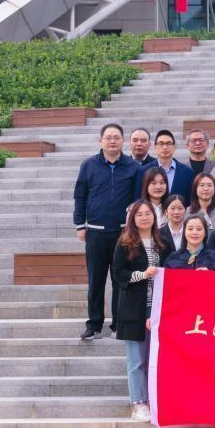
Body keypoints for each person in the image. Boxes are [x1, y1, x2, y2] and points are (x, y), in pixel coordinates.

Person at [73, 123, 141, 341]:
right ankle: (94, 324)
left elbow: (137, 200)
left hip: (123, 233)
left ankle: (118, 324)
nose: (112, 141)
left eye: (117, 137)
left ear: (123, 141)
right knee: (96, 280)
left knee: (120, 280)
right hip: (95, 232)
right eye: (108, 137)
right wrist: (80, 225)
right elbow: (80, 196)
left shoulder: (133, 167)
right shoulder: (88, 165)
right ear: (100, 140)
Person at [111, 199, 167, 421]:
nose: (144, 217)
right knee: (137, 360)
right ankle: (139, 403)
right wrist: (142, 275)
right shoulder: (125, 243)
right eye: (139, 214)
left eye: (148, 213)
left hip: (159, 307)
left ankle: (155, 399)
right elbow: (118, 273)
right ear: (132, 219)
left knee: (157, 357)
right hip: (133, 309)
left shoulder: (161, 242)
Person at [145, 129, 193, 200]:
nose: (165, 147)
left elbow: (190, 200)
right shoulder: (144, 171)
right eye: (161, 143)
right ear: (155, 147)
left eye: (168, 143)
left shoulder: (187, 172)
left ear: (174, 147)